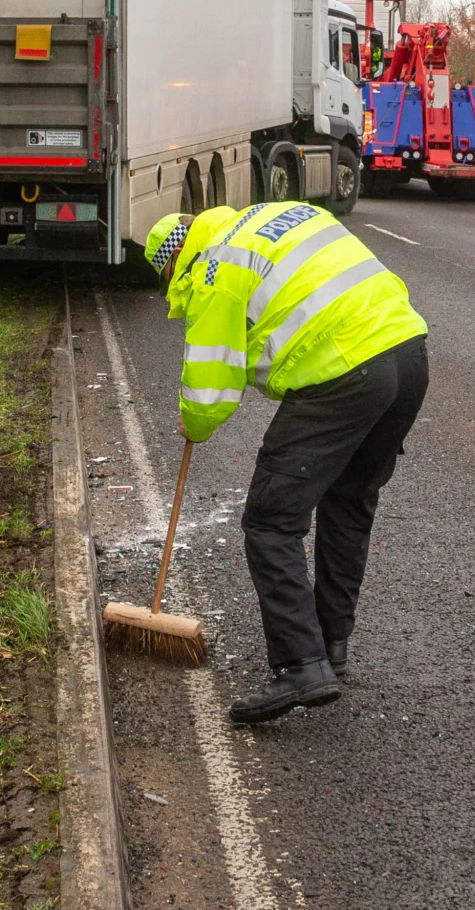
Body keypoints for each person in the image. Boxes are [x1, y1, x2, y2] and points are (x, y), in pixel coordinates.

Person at [144, 202, 429, 724]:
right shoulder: (271, 217)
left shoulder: (213, 267)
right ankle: (331, 644)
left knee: (271, 521)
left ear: (176, 261)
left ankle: (302, 664)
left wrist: (194, 422)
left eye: (168, 281)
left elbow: (210, 388)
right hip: (408, 354)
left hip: (344, 372)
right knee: (349, 501)